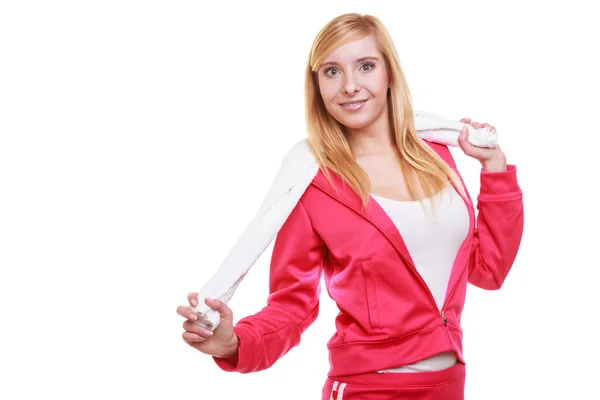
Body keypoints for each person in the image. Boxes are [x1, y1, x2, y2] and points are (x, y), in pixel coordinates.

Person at [176, 12, 524, 399]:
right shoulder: (312, 183)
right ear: (317, 85)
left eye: (366, 66)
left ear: (389, 72)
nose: (350, 86)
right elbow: (292, 306)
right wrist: (235, 343)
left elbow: (488, 270)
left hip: (448, 385)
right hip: (367, 388)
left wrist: (495, 170)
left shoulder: (441, 155)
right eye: (332, 71)